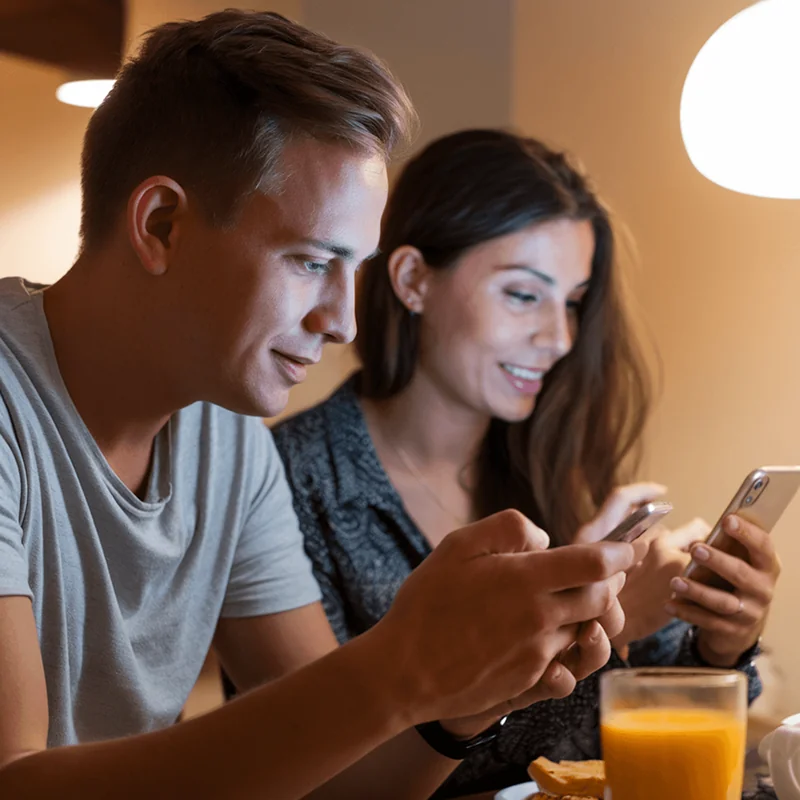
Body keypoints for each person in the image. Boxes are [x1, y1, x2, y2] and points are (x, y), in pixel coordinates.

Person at [0, 12, 643, 800]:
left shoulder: (230, 441)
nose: (342, 322)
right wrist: (400, 665)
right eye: (310, 262)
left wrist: (466, 701)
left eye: (355, 270)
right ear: (161, 224)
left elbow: (333, 781)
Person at [274, 129, 779, 795]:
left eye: (571, 302)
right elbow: (331, 773)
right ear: (413, 279)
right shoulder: (292, 479)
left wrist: (722, 645)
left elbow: (650, 724)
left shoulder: (548, 469)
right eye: (521, 294)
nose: (559, 338)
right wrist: (599, 628)